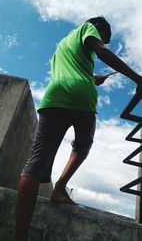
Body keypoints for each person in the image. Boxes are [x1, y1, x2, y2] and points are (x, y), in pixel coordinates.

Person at [15, 16, 142, 241]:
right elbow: (101, 52)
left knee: (37, 160)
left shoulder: (62, 46)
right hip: (82, 101)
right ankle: (60, 188)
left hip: (55, 96)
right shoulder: (88, 27)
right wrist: (136, 77)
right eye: (105, 38)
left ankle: (19, 235)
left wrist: (92, 78)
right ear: (100, 28)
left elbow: (72, 71)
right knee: (82, 146)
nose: (104, 41)